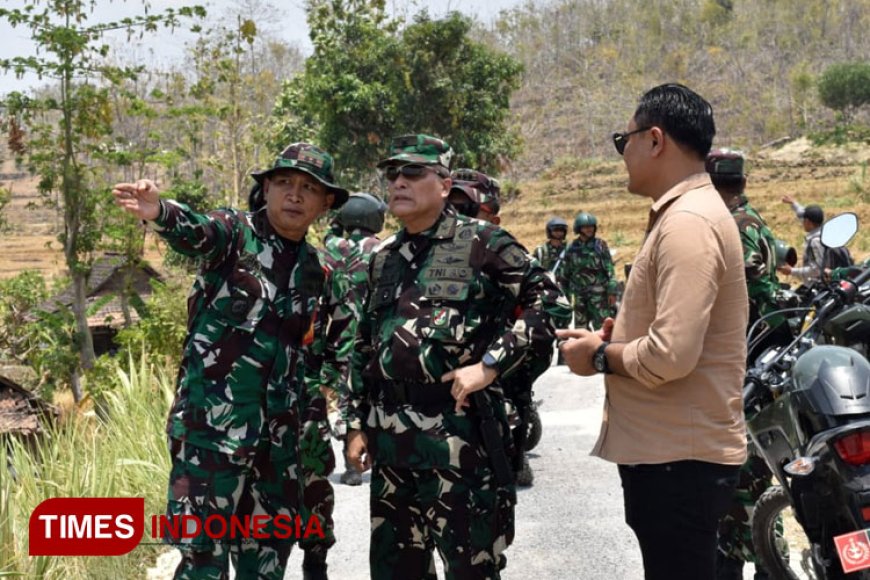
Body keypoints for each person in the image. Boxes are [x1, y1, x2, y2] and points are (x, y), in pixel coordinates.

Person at [113, 143, 351, 580]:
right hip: (209, 438)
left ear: (326, 203)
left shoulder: (322, 272)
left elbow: (331, 353)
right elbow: (197, 231)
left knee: (265, 563)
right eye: (284, 183)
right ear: (266, 189)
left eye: (308, 188)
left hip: (278, 450)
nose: (294, 195)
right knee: (201, 561)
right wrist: (161, 211)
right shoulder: (234, 234)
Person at [345, 134, 567, 579]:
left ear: (444, 185)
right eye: (393, 174)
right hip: (392, 448)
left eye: (413, 173)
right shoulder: (381, 259)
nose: (399, 183)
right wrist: (355, 425)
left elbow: (551, 303)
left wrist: (489, 366)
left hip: (459, 442)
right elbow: (364, 345)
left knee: (471, 570)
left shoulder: (483, 243)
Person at [557, 83, 748, 580]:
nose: (624, 154)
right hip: (673, 457)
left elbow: (671, 355)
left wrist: (600, 355)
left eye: (626, 141)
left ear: (655, 139)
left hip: (678, 463)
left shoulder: (687, 222)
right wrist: (617, 336)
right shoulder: (686, 214)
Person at [706, 148, 780, 580]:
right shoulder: (758, 224)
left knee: (737, 477)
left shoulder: (731, 229)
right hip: (765, 359)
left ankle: (750, 561)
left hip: (741, 365)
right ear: (743, 184)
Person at [318, 191, 387, 487]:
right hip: (376, 335)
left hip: (342, 334)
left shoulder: (333, 248)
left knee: (347, 396)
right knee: (380, 394)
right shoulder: (382, 248)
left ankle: (351, 466)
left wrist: (337, 222)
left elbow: (329, 236)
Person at [562, 211, 618, 330]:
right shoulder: (572, 247)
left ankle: (603, 349)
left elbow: (609, 268)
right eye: (586, 227)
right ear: (579, 228)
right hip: (579, 296)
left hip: (599, 295)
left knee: (603, 328)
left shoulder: (600, 245)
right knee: (581, 329)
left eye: (591, 226)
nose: (589, 229)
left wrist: (612, 290)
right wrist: (565, 295)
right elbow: (566, 273)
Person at [778, 196, 826, 283]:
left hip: (817, 286)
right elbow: (802, 214)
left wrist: (792, 271)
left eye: (804, 221)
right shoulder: (823, 230)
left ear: (808, 222)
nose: (802, 222)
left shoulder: (816, 241)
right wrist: (794, 203)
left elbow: (817, 270)